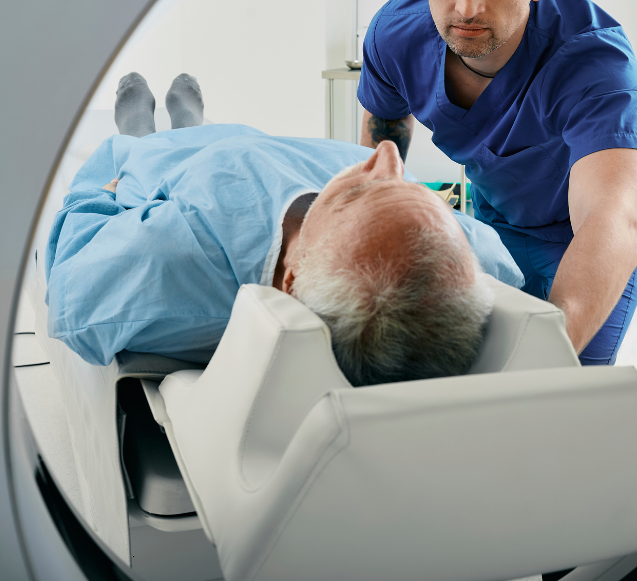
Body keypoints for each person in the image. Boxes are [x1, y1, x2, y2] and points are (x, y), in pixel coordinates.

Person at [358, 0, 637, 366]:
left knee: (558, 380)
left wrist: (542, 364)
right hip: (498, 212)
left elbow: (610, 217)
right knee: (458, 356)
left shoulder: (593, 63)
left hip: (583, 231)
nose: (468, 5)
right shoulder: (395, 34)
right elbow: (382, 140)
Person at [45, 73, 523, 385]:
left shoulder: (177, 262)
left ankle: (137, 130)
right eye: (407, 188)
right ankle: (192, 121)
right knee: (212, 130)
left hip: (175, 174)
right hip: (269, 149)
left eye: (358, 195)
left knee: (140, 150)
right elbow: (500, 264)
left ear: (290, 280)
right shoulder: (474, 257)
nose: (388, 155)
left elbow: (71, 286)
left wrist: (101, 195)